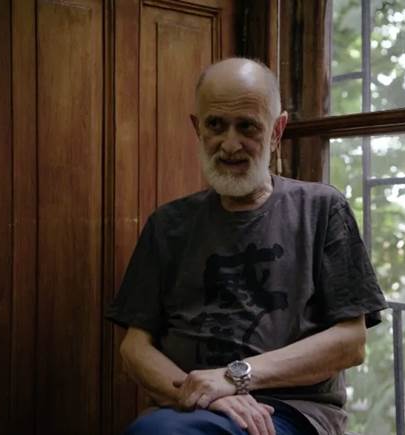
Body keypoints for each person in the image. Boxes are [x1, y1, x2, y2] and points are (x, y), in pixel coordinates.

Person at [105, 57, 388, 435]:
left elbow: (351, 342)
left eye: (247, 126)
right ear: (197, 128)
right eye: (215, 125)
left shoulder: (322, 209)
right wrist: (206, 394)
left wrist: (232, 377)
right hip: (188, 408)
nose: (229, 144)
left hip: (291, 411)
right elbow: (134, 348)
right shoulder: (168, 224)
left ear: (276, 131)